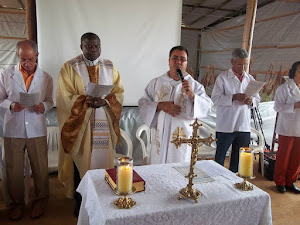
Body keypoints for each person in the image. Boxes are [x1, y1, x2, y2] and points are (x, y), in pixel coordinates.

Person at [56, 32, 124, 216]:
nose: (93, 50)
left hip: (103, 121)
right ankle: (81, 204)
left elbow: (118, 93)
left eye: (96, 46)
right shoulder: (69, 67)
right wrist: (84, 101)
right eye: (89, 46)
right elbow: (64, 96)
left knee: (104, 166)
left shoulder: (110, 67)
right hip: (82, 127)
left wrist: (106, 101)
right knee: (81, 166)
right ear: (81, 47)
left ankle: (102, 203)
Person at [0, 40, 53, 220]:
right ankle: (15, 204)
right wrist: (11, 105)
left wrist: (43, 107)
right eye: (23, 59)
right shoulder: (6, 75)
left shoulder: (46, 77)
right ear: (18, 56)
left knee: (40, 168)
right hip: (13, 129)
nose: (27, 64)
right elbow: (0, 99)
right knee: (13, 169)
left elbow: (51, 101)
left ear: (37, 56)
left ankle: (40, 202)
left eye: (30, 59)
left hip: (37, 128)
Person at [138, 46, 213, 164]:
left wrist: (193, 96)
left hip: (181, 137)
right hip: (160, 135)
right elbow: (143, 104)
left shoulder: (194, 85)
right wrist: (160, 106)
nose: (178, 62)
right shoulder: (156, 83)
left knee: (179, 169)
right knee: (158, 169)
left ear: (187, 63)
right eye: (175, 58)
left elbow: (208, 106)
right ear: (169, 61)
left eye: (182, 59)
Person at [211, 48, 260, 173]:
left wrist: (251, 101)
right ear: (232, 62)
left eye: (245, 64)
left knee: (239, 159)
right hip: (226, 125)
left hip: (243, 125)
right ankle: (217, 181)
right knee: (220, 157)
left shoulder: (250, 78)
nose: (242, 67)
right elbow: (215, 99)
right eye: (239, 64)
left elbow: (257, 99)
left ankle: (233, 180)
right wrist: (232, 97)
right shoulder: (223, 77)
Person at [273, 61, 300, 194]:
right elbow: (277, 107)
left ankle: (291, 181)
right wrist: (294, 106)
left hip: (299, 127)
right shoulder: (284, 88)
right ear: (294, 72)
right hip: (287, 127)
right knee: (283, 156)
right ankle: (280, 181)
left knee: (297, 157)